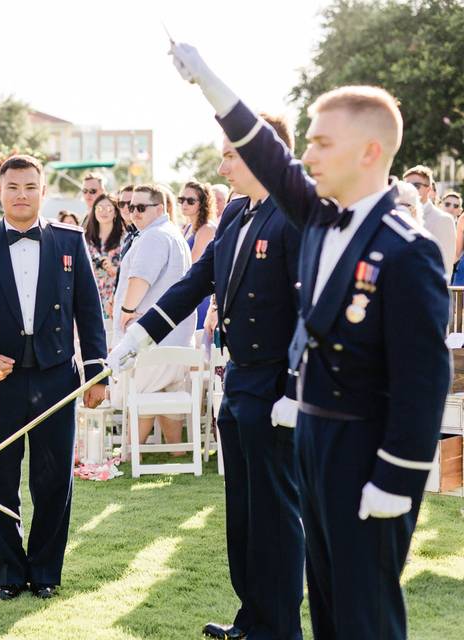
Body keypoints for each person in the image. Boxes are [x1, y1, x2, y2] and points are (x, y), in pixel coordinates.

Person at [165, 43, 449, 640]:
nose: (307, 154)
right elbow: (268, 156)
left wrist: (398, 477)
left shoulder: (409, 249)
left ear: (370, 151)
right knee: (324, 606)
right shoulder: (319, 217)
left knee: (363, 615)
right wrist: (208, 82)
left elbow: (424, 380)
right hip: (313, 439)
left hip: (368, 449)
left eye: (322, 143)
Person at [110, 113, 305, 640]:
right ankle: (252, 619)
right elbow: (197, 281)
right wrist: (141, 335)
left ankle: (280, 629)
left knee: (277, 515)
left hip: (275, 386)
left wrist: (295, 389)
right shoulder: (239, 211)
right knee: (242, 511)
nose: (221, 166)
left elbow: (310, 306)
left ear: (264, 154)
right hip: (238, 379)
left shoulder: (294, 215)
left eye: (229, 155)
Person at [0, 154, 108, 601]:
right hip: (0, 379)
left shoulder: (71, 242)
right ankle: (8, 575)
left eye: (30, 187)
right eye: (13, 187)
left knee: (54, 479)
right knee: (0, 478)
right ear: (0, 190)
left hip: (57, 375)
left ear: (42, 191)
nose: (22, 195)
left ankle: (46, 572)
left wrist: (96, 375)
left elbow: (89, 314)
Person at [112, 185, 195, 452]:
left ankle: (129, 453)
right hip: (176, 337)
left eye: (140, 207)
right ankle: (177, 450)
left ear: (159, 208)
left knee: (143, 391)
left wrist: (126, 312)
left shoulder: (154, 237)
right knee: (166, 391)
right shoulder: (172, 234)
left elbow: (140, 279)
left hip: (153, 336)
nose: (133, 212)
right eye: (129, 207)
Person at [403, 165, 455, 277]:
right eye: (406, 185)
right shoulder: (397, 215)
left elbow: (445, 267)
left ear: (429, 189)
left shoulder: (443, 220)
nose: (410, 189)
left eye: (416, 186)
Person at [179, 181, 218, 328]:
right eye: (181, 200)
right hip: (188, 289)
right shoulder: (187, 226)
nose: (184, 204)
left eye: (190, 201)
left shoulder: (206, 229)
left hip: (200, 296)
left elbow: (191, 263)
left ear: (203, 203)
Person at [84, 194, 124, 321]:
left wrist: (114, 270)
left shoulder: (124, 238)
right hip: (90, 297)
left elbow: (131, 271)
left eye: (108, 208)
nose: (103, 212)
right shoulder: (85, 238)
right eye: (99, 208)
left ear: (116, 212)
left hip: (114, 299)